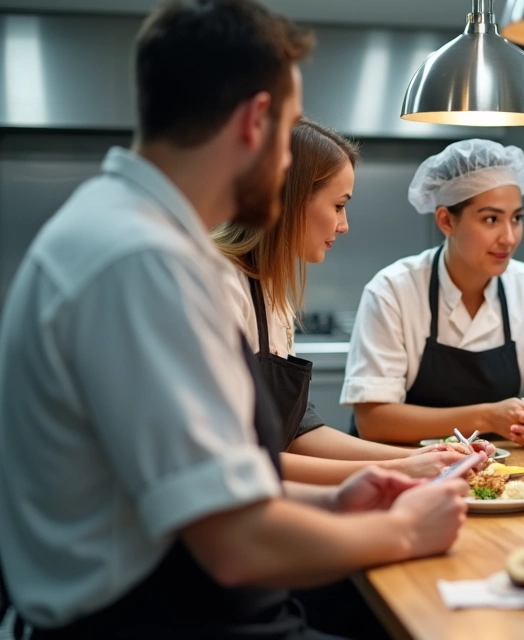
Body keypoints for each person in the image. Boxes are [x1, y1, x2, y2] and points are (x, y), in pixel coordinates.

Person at [0, 2, 471, 638]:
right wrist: (405, 529)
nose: (286, 163)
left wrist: (338, 499)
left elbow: (212, 492)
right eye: (288, 133)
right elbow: (237, 544)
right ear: (256, 122)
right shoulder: (143, 261)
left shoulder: (125, 231)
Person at [212, 118, 484, 484]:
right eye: (338, 205)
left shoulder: (272, 295)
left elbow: (297, 435)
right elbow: (232, 458)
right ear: (292, 200)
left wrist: (422, 455)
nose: (344, 225)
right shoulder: (220, 285)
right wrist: (399, 468)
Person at [342, 139, 524, 447]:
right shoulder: (394, 290)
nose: (509, 238)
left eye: (517, 218)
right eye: (491, 219)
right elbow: (373, 421)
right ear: (446, 221)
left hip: (502, 473)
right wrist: (486, 417)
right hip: (406, 472)